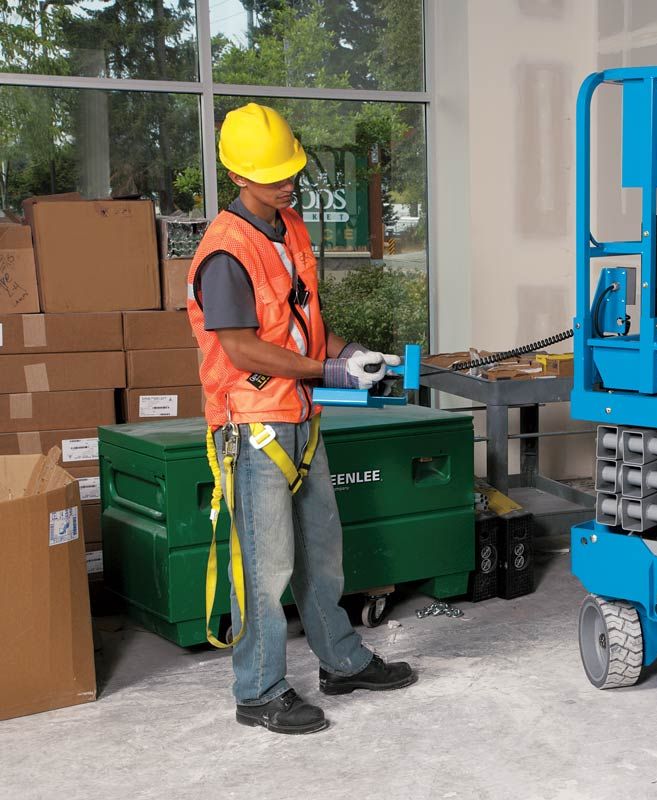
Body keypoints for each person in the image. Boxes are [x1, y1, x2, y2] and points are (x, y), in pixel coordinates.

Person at [187, 102, 415, 735]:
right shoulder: (226, 253)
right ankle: (259, 690)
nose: (287, 182)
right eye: (272, 174)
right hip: (252, 425)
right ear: (238, 175)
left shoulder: (288, 228)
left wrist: (351, 353)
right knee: (266, 570)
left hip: (299, 416)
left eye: (290, 169)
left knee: (321, 553)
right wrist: (328, 372)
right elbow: (241, 348)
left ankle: (341, 662)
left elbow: (300, 322)